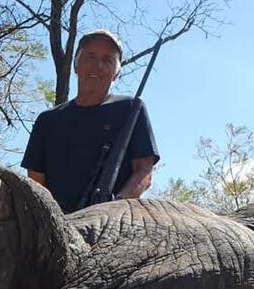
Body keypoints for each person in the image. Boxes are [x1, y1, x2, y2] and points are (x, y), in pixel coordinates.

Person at [21, 30, 159, 213]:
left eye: (108, 60)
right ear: (76, 65)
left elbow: (144, 172)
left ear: (116, 73)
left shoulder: (131, 109)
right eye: (90, 57)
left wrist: (114, 207)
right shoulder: (47, 120)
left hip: (113, 223)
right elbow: (35, 181)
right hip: (55, 223)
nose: (98, 65)